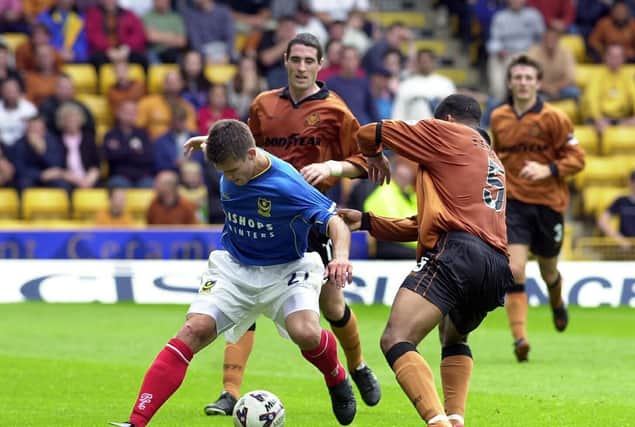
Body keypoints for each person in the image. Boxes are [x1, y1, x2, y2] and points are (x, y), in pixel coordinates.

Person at [183, 32, 385, 417]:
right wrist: (210, 142)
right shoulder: (263, 105)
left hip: (309, 216)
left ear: (320, 64)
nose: (302, 67)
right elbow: (237, 145)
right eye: (296, 60)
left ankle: (356, 366)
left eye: (310, 60)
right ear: (286, 61)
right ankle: (229, 391)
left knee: (331, 305)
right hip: (259, 211)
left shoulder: (336, 111)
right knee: (242, 292)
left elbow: (368, 162)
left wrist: (332, 166)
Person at [109, 119, 358, 427]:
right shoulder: (231, 155)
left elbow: (336, 222)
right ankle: (136, 422)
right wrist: (206, 141)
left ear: (252, 154)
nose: (229, 178)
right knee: (193, 330)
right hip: (235, 268)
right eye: (223, 171)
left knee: (305, 332)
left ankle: (336, 377)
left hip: (286, 269)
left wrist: (342, 257)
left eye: (233, 171)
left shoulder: (287, 183)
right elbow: (226, 141)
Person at [338, 94, 514, 427]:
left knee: (396, 338)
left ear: (445, 120)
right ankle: (456, 418)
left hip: (459, 252)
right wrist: (367, 222)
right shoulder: (491, 160)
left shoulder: (447, 133)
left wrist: (374, 158)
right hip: (494, 265)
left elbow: (370, 132)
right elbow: (425, 223)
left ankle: (437, 423)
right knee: (454, 337)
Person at [490, 55, 585, 362]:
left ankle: (557, 302)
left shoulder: (555, 118)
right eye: (517, 77)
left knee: (548, 269)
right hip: (515, 202)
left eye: (529, 78)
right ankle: (520, 339)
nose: (523, 82)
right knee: (515, 269)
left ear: (538, 83)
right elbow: (496, 155)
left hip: (548, 204)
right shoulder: (499, 117)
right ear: (509, 82)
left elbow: (578, 158)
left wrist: (549, 169)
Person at [597, 170, 635, 249]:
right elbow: (602, 221)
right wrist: (619, 239)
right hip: (626, 249)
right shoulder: (621, 201)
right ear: (630, 182)